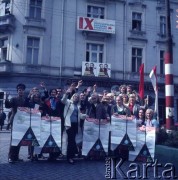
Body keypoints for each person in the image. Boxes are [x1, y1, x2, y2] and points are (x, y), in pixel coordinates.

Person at [5, 83, 29, 163]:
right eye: (19, 90)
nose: (21, 91)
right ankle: (11, 157)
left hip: (22, 121)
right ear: (17, 91)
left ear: (23, 91)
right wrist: (6, 99)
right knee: (13, 139)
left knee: (19, 140)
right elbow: (8, 106)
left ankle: (16, 157)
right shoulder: (14, 99)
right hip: (15, 120)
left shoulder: (25, 99)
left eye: (22, 90)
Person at [61, 90, 86, 164]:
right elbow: (63, 100)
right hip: (69, 124)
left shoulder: (77, 106)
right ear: (72, 97)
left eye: (77, 97)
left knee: (72, 141)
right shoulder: (68, 102)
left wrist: (86, 116)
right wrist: (66, 93)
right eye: (75, 96)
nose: (76, 98)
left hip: (75, 125)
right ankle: (70, 157)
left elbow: (79, 116)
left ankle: (72, 155)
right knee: (71, 141)